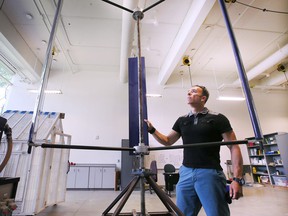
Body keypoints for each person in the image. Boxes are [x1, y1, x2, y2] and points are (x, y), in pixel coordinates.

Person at [145, 85, 243, 216]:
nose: (189, 94)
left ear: (203, 98)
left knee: (217, 213)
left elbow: (234, 146)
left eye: (193, 92)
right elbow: (168, 141)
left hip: (210, 173)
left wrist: (237, 179)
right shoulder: (182, 120)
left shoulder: (218, 118)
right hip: (186, 172)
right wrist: (152, 130)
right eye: (188, 92)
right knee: (183, 213)